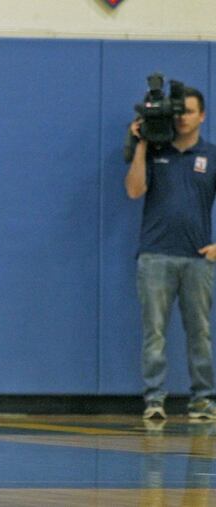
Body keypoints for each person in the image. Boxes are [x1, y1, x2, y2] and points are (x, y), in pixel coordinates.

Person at [125, 86, 216, 420]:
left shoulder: (212, 156)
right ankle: (154, 400)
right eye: (177, 112)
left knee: (200, 333)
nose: (181, 118)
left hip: (197, 259)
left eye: (189, 111)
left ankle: (203, 399)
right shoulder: (153, 152)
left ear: (202, 116)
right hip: (155, 256)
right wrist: (142, 144)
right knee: (155, 332)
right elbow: (134, 191)